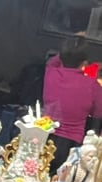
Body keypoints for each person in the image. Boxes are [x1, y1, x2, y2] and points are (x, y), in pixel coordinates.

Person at [42, 36, 102, 174]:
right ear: (84, 63)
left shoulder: (51, 72)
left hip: (44, 136)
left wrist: (72, 46)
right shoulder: (92, 86)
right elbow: (98, 116)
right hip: (70, 145)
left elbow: (54, 60)